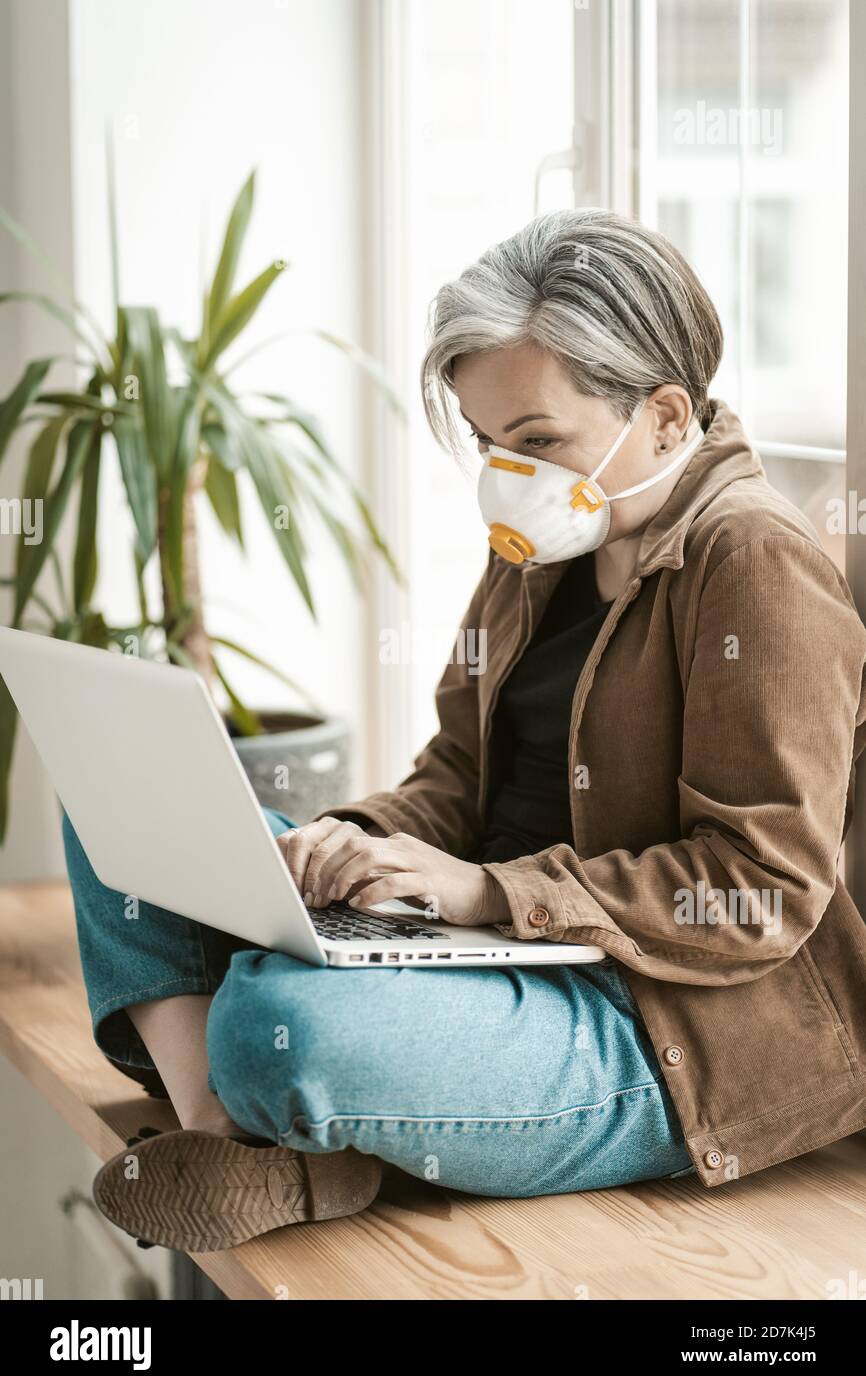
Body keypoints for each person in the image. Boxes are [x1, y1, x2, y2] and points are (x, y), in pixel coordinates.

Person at [64, 208, 866, 1252]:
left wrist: (487, 891)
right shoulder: (545, 538)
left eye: (534, 440)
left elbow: (759, 884)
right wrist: (343, 839)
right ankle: (231, 1127)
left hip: (658, 1020)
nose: (506, 473)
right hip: (489, 953)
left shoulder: (752, 562)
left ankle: (291, 1110)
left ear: (665, 417)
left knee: (284, 1025)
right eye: (487, 441)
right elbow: (454, 770)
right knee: (117, 799)